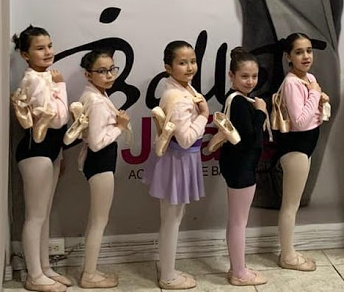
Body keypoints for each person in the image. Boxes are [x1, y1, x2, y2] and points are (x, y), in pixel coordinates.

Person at [12, 25, 74, 292]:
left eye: (49, 45)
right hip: (34, 151)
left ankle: (45, 267)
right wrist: (61, 86)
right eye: (40, 48)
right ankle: (34, 275)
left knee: (44, 214)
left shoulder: (45, 76)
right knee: (35, 216)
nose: (48, 52)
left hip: (50, 149)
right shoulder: (33, 80)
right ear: (25, 55)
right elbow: (58, 118)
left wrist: (59, 154)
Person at [143, 41, 209, 290]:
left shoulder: (184, 88)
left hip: (182, 160)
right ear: (168, 67)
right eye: (183, 63)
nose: (190, 67)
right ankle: (168, 276)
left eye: (192, 61)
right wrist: (204, 115)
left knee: (174, 218)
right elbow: (186, 138)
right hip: (177, 160)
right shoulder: (176, 96)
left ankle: (168, 269)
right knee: (171, 220)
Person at [77, 49, 131, 288]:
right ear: (88, 74)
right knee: (99, 221)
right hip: (100, 162)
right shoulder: (96, 101)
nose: (109, 75)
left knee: (96, 219)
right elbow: (97, 142)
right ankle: (89, 275)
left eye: (112, 69)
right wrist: (120, 127)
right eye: (102, 71)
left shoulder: (95, 94)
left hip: (98, 163)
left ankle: (90, 270)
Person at [275, 33, 329, 272]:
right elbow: (299, 121)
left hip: (306, 145)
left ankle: (289, 251)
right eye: (299, 52)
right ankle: (287, 256)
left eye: (309, 50)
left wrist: (319, 98)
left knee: (293, 204)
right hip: (294, 147)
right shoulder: (292, 83)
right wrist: (315, 94)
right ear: (288, 56)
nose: (306, 56)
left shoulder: (309, 78)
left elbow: (315, 116)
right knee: (290, 205)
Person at [219, 47, 268, 286]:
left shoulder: (237, 99)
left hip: (238, 165)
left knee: (236, 220)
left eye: (254, 76)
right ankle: (239, 272)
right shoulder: (239, 102)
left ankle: (236, 267)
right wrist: (261, 113)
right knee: (239, 221)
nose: (250, 81)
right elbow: (249, 138)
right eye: (244, 76)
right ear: (232, 75)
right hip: (241, 167)